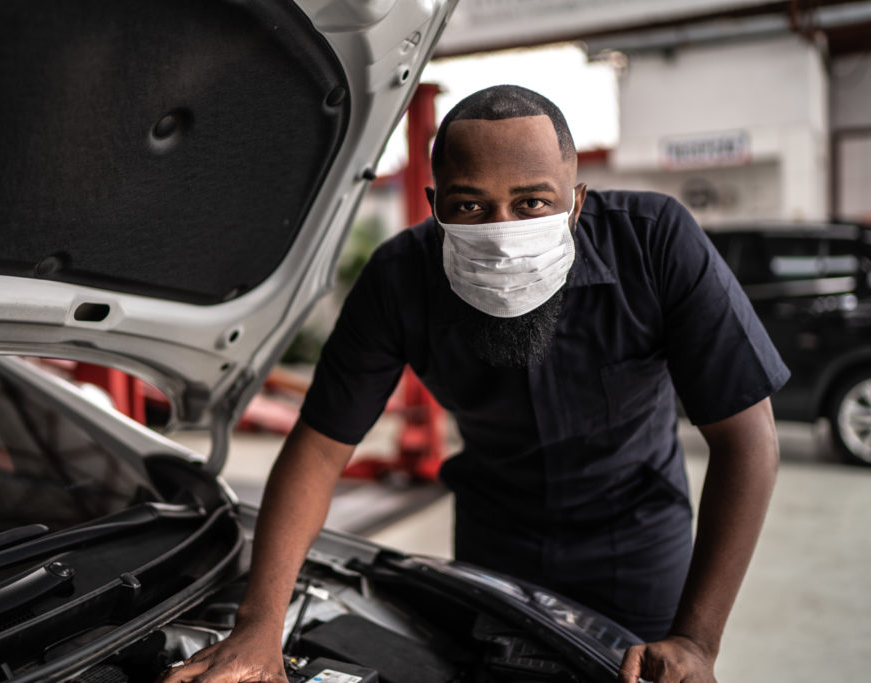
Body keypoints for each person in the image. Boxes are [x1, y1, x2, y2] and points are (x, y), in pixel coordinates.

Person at [163, 85, 787, 683]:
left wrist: (697, 640)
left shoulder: (655, 242)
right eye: (470, 206)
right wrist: (260, 622)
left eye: (532, 203)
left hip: (639, 548)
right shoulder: (399, 279)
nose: (503, 230)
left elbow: (746, 438)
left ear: (577, 201)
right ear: (436, 207)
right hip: (492, 553)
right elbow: (321, 447)